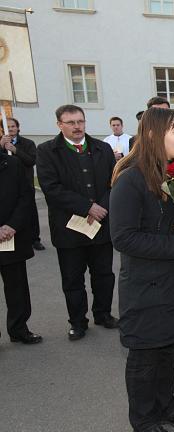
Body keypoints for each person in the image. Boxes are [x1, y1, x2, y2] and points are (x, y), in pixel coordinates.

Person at [109, 107, 174, 432]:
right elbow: (123, 237)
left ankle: (167, 407)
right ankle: (143, 420)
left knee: (167, 351)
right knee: (144, 359)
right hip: (146, 286)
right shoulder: (131, 179)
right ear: (154, 135)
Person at [36, 105, 118, 341]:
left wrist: (102, 207)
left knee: (104, 275)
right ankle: (78, 321)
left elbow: (114, 182)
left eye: (80, 121)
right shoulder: (47, 151)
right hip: (69, 228)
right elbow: (51, 188)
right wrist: (87, 207)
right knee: (73, 279)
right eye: (70, 122)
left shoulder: (102, 148)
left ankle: (103, 314)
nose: (77, 127)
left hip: (101, 225)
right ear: (59, 124)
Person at [0, 150, 42, 344]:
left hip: (11, 235)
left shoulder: (12, 164)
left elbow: (26, 196)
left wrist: (12, 225)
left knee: (17, 287)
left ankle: (19, 329)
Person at [1, 116, 44, 251]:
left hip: (25, 184)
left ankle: (35, 239)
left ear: (18, 128)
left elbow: (31, 160)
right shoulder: (1, 143)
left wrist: (15, 150)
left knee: (30, 212)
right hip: (6, 187)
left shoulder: (28, 143)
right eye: (7, 127)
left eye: (13, 126)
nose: (11, 129)